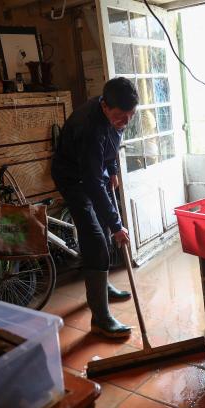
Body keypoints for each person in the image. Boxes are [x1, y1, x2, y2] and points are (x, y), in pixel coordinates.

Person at [51, 77, 138, 338]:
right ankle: (100, 319)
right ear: (104, 106)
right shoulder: (89, 128)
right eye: (120, 116)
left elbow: (112, 142)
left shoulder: (115, 115)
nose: (125, 121)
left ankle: (103, 286)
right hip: (73, 179)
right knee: (96, 239)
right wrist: (117, 225)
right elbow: (91, 183)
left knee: (103, 230)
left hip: (92, 172)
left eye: (130, 115)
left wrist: (111, 169)